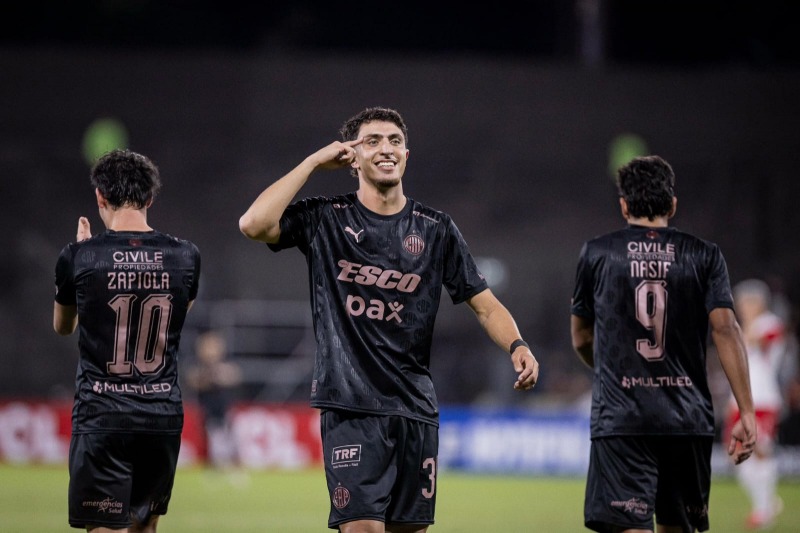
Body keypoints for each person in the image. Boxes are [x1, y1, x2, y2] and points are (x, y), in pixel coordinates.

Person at [238, 106, 539, 532]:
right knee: (363, 528)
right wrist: (311, 164)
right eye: (372, 141)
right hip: (350, 408)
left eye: (395, 141)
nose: (386, 148)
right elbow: (254, 224)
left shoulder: (436, 229)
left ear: (406, 155)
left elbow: (485, 305)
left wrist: (518, 345)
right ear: (351, 157)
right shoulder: (327, 217)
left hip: (415, 410)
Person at [570, 155, 756, 533]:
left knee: (627, 525)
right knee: (678, 526)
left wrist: (612, 373)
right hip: (686, 418)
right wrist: (746, 410)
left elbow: (581, 337)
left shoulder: (597, 254)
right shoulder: (704, 255)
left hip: (622, 418)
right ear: (673, 203)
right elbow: (726, 330)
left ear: (623, 205)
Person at [53, 149, 201, 533]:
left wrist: (83, 260)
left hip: (102, 414)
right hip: (161, 413)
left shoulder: (79, 256)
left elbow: (64, 326)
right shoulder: (186, 255)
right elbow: (180, 315)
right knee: (144, 528)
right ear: (150, 198)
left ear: (100, 197)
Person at [726, 279, 792, 529]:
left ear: (757, 302)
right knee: (736, 455)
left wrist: (737, 329)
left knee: (761, 451)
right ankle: (767, 501)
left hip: (762, 398)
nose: (741, 307)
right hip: (741, 398)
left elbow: (755, 342)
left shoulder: (769, 323)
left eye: (744, 302)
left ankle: (763, 511)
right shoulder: (746, 326)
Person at [185, 330, 242, 470]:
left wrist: (217, 374)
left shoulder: (225, 365)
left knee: (228, 438)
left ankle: (229, 463)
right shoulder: (198, 367)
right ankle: (218, 464)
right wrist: (208, 377)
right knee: (214, 439)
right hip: (208, 410)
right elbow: (193, 380)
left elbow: (233, 376)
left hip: (225, 408)